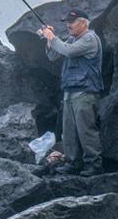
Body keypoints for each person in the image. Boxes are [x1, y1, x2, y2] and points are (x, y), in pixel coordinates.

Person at [40, 9, 103, 175]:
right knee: (68, 131)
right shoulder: (72, 39)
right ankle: (72, 162)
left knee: (86, 130)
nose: (68, 25)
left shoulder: (89, 38)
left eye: (72, 22)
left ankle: (94, 164)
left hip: (85, 92)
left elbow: (68, 51)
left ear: (83, 22)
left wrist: (52, 37)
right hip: (69, 92)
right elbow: (53, 56)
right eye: (67, 22)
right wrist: (49, 39)